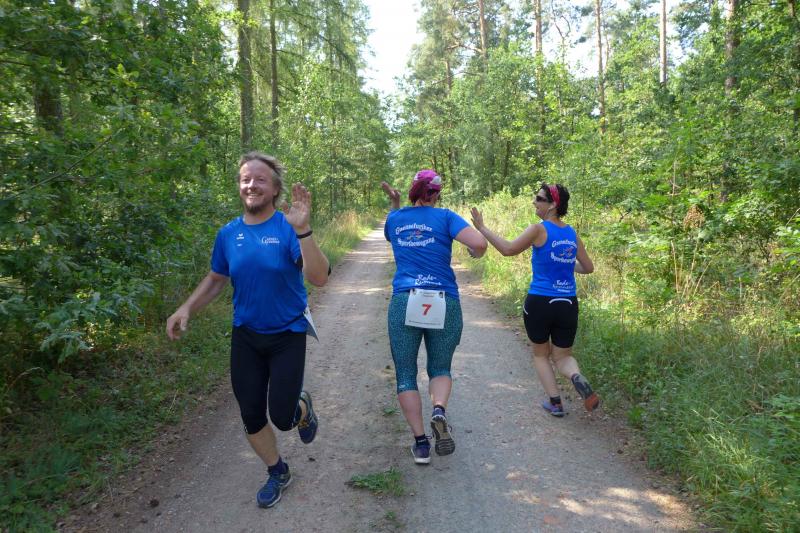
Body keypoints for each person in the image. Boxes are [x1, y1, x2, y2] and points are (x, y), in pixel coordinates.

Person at [166, 152, 329, 508]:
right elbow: (216, 278)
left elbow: (319, 277)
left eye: (260, 180)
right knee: (251, 414)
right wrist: (186, 307)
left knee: (282, 417)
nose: (251, 185)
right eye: (245, 179)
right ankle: (278, 471)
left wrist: (303, 230)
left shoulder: (288, 228)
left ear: (275, 189)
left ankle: (302, 408)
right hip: (247, 336)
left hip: (287, 334)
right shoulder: (228, 233)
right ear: (239, 186)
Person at [381, 170, 487, 464]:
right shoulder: (446, 217)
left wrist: (396, 205)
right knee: (440, 367)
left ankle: (421, 444)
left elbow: (390, 234)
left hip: (405, 299)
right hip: (443, 299)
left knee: (406, 374)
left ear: (413, 190)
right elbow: (479, 244)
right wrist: (474, 253)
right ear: (437, 193)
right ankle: (438, 409)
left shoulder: (395, 218)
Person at [470, 183, 600, 417]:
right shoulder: (572, 234)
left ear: (553, 205)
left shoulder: (538, 230)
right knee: (563, 356)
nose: (534, 202)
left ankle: (556, 403)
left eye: (539, 199)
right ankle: (576, 376)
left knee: (541, 354)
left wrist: (482, 228)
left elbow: (508, 249)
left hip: (540, 301)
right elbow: (588, 267)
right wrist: (565, 264)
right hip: (567, 304)